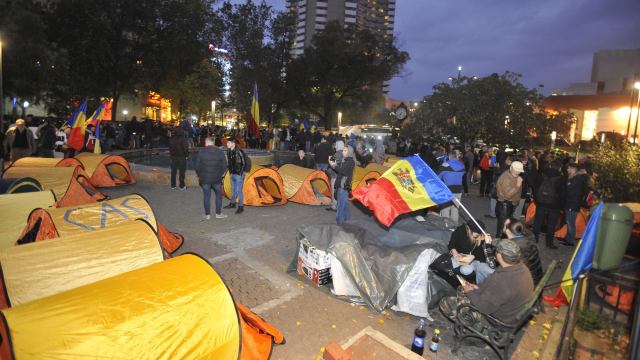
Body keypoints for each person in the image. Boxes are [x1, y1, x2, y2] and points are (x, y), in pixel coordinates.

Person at [440, 238, 534, 324]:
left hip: (497, 320)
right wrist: (477, 287)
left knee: (446, 302)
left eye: (496, 251)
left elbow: (483, 307)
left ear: (500, 256)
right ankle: (463, 305)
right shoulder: (522, 268)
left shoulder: (502, 281)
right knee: (462, 289)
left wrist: (471, 292)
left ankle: (467, 323)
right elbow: (494, 291)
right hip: (511, 311)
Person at [532, 159, 564, 249]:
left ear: (550, 165)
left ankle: (534, 240)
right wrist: (561, 205)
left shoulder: (541, 174)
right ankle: (549, 243)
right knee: (551, 224)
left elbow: (535, 187)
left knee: (537, 222)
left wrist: (536, 200)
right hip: (554, 205)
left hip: (541, 202)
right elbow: (563, 193)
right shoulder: (561, 178)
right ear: (560, 168)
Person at [196, 137, 228, 220]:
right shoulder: (220, 151)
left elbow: (197, 166)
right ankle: (218, 214)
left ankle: (207, 215)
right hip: (217, 178)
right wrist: (221, 174)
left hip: (205, 179)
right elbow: (224, 165)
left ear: (206, 143)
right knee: (219, 196)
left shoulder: (201, 151)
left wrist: (200, 175)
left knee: (206, 196)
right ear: (213, 143)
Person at [563, 163, 592, 246]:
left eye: (569, 168)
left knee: (570, 222)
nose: (567, 170)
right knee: (569, 221)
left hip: (573, 203)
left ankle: (571, 240)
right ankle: (567, 238)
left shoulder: (576, 179)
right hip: (572, 202)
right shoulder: (575, 178)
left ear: (573, 169)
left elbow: (570, 191)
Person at [495, 161, 524, 237]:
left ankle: (500, 244)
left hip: (508, 205)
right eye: (516, 170)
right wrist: (518, 185)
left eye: (519, 171)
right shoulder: (506, 178)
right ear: (511, 168)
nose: (517, 172)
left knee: (504, 226)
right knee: (502, 228)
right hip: (505, 205)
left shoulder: (513, 176)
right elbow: (507, 195)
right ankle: (498, 246)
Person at [329, 145, 355, 225]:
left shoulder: (350, 161)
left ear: (349, 152)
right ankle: (347, 217)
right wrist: (334, 164)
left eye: (345, 150)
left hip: (344, 186)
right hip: (342, 184)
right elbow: (340, 169)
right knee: (345, 202)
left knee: (340, 205)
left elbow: (342, 171)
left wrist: (334, 165)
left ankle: (339, 222)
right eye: (343, 150)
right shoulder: (345, 159)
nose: (343, 152)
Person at [438, 151, 465, 224]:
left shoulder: (445, 165)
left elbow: (438, 177)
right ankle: (454, 225)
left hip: (447, 190)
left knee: (445, 209)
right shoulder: (462, 165)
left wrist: (444, 162)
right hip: (458, 190)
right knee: (455, 209)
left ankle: (445, 226)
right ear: (456, 156)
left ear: (449, 157)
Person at [224, 138, 248, 214]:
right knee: (233, 190)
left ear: (233, 144)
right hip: (232, 173)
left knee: (239, 191)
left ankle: (241, 207)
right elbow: (230, 163)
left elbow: (244, 163)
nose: (227, 144)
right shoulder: (229, 151)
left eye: (228, 142)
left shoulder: (239, 151)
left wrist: (240, 173)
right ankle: (233, 203)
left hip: (238, 174)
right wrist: (230, 172)